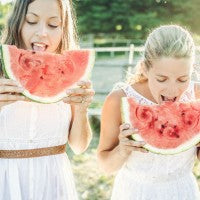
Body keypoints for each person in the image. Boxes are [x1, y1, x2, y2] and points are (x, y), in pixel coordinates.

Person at [0, 0, 95, 199]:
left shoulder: (70, 78)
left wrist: (82, 109)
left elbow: (79, 147)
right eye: (31, 21)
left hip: (54, 184)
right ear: (18, 22)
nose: (42, 32)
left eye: (53, 25)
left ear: (63, 30)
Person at [97, 25, 200, 200]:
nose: (173, 89)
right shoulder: (118, 100)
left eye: (183, 79)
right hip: (134, 193)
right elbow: (105, 166)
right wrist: (122, 150)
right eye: (162, 79)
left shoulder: (197, 97)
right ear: (145, 68)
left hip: (182, 191)